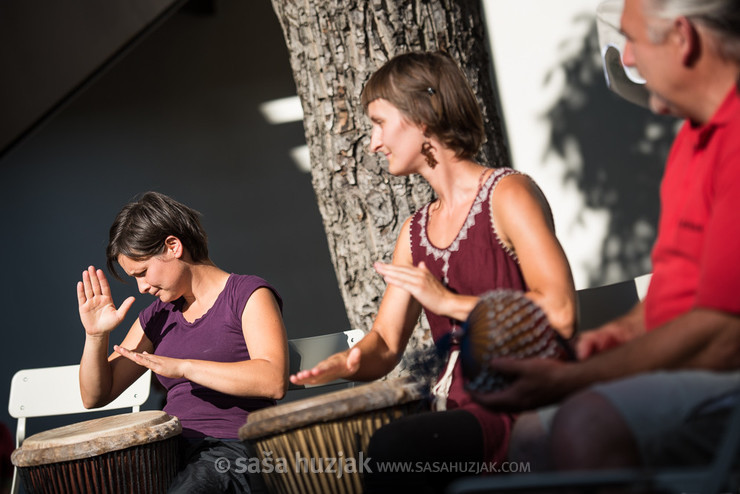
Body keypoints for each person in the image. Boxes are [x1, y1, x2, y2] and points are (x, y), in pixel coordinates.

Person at [473, 0, 740, 472]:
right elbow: (680, 284)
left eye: (632, 40)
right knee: (530, 437)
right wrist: (627, 330)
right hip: (697, 369)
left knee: (585, 424)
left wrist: (576, 379)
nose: (628, 59)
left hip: (723, 372)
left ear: (683, 37)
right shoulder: (692, 138)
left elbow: (724, 333)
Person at [291, 51, 576, 492]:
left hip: (524, 404)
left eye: (380, 122)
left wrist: (448, 303)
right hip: (461, 411)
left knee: (395, 451)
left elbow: (559, 312)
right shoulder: (414, 232)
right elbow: (385, 343)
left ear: (421, 119)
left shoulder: (507, 194)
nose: (373, 142)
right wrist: (351, 361)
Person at [77, 191, 288, 493]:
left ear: (173, 247)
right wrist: (96, 336)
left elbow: (272, 380)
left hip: (236, 449)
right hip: (170, 451)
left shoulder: (247, 294)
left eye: (144, 272)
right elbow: (95, 395)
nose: (142, 287)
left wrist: (185, 367)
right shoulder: (157, 316)